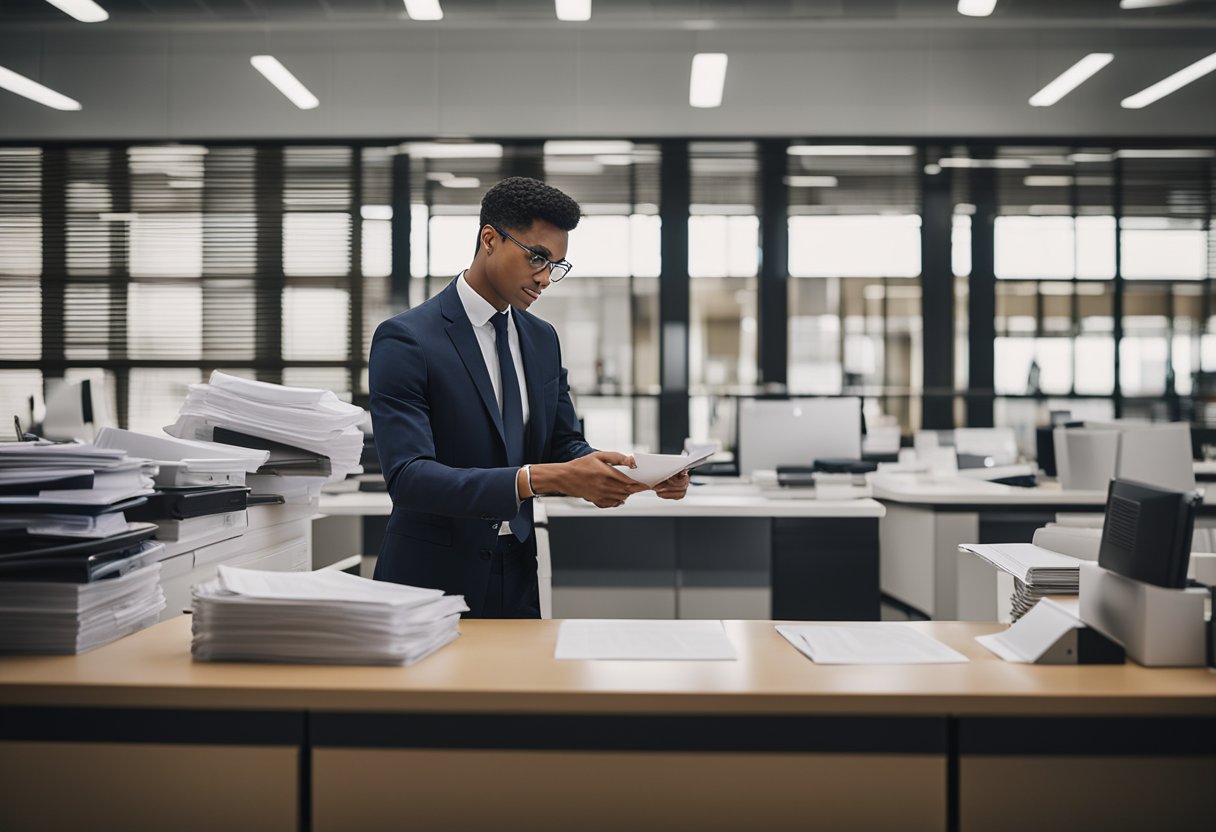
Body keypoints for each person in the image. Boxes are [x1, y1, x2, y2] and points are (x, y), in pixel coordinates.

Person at [369, 176, 689, 618]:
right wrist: (539, 479)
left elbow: (563, 444)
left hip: (516, 571)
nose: (545, 278)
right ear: (489, 240)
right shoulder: (407, 338)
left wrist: (637, 476)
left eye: (556, 265)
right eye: (537, 257)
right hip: (429, 579)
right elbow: (409, 479)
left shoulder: (541, 338)